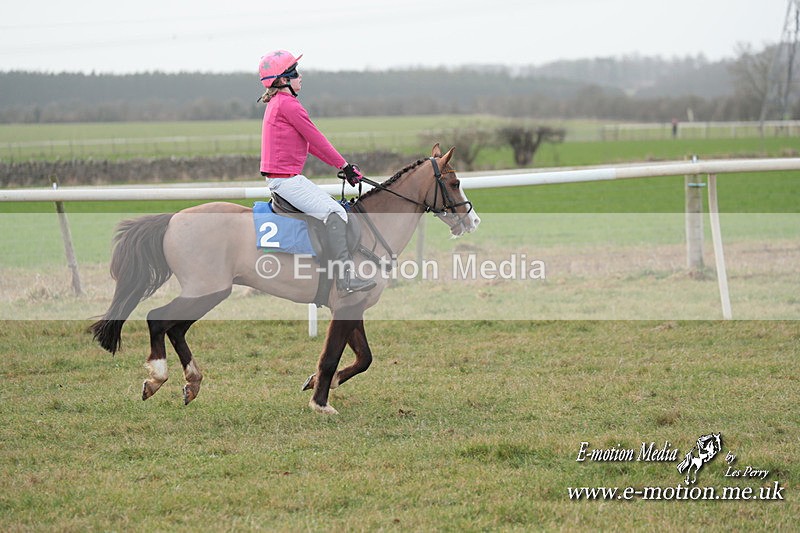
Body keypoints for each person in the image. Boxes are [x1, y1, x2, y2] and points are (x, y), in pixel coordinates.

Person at [257, 50, 375, 296]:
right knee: (335, 212)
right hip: (286, 181)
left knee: (333, 210)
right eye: (296, 73)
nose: (301, 77)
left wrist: (342, 166)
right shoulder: (289, 105)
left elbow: (310, 145)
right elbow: (317, 139)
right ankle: (345, 278)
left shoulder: (278, 103)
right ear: (284, 80)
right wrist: (345, 166)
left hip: (286, 179)